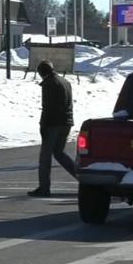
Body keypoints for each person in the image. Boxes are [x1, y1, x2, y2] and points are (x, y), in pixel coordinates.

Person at [29, 60, 77, 197]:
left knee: (45, 157)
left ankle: (44, 188)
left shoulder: (49, 84)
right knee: (59, 153)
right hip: (66, 122)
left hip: (53, 124)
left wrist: (43, 125)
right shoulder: (65, 81)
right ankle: (83, 178)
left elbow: (48, 107)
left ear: (42, 73)